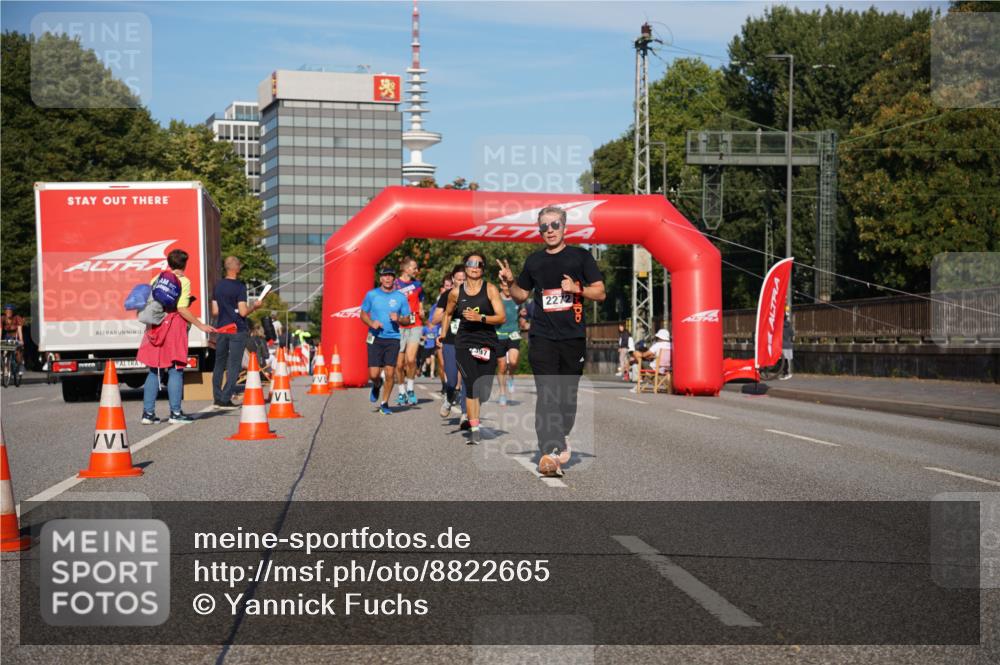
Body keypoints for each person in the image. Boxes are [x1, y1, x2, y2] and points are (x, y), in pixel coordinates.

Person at [498, 205, 605, 477]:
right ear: (539, 230)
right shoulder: (534, 261)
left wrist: (577, 288)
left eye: (554, 225)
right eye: (544, 226)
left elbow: (601, 292)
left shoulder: (581, 257)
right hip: (542, 336)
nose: (549, 230)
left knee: (566, 396)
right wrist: (511, 282)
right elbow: (521, 295)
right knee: (547, 394)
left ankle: (561, 434)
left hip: (573, 337)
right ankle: (550, 450)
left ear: (564, 227)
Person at [136, 249, 215, 424]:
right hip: (174, 327)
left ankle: (148, 414)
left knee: (154, 370)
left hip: (155, 326)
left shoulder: (156, 279)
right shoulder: (183, 281)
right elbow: (181, 308)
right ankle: (175, 413)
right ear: (185, 264)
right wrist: (200, 325)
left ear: (169, 262)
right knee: (176, 369)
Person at [439, 252, 505, 445]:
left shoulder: (490, 289)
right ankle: (474, 429)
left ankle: (473, 415)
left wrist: (481, 318)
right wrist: (443, 334)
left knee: (482, 391)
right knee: (471, 385)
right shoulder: (456, 293)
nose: (474, 267)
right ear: (465, 267)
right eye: (470, 263)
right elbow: (448, 313)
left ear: (483, 268)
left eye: (479, 264)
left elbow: (501, 317)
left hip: (487, 343)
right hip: (464, 343)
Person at [211, 256, 263, 409]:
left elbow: (215, 311)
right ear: (236, 268)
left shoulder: (218, 286)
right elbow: (242, 312)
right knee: (234, 365)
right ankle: (225, 399)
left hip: (221, 328)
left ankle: (217, 397)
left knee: (219, 364)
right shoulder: (240, 287)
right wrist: (254, 306)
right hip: (237, 329)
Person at [360, 266, 412, 415]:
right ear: (380, 278)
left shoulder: (400, 297)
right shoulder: (372, 295)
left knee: (390, 373)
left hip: (393, 339)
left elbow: (408, 320)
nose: (388, 278)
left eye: (390, 276)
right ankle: (377, 384)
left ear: (394, 279)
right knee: (374, 374)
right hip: (374, 337)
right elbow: (362, 314)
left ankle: (384, 403)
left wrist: (399, 319)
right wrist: (371, 323)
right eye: (385, 276)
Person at [432, 265, 467, 425]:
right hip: (450, 341)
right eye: (458, 279)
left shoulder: (475, 294)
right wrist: (449, 310)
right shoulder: (446, 295)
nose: (461, 282)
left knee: (468, 378)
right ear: (453, 279)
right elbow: (434, 319)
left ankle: (466, 414)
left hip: (469, 341)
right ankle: (450, 397)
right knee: (452, 381)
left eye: (464, 279)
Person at [393, 257, 424, 406]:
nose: (416, 270)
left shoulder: (417, 284)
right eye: (413, 267)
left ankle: (410, 389)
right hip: (398, 326)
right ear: (405, 269)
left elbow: (421, 300)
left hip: (415, 324)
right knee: (399, 365)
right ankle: (401, 392)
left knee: (410, 360)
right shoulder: (394, 284)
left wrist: (422, 309)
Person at [495, 280, 522, 405]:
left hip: (513, 334)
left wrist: (523, 318)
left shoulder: (516, 298)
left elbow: (522, 313)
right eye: (504, 286)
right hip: (499, 335)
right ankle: (502, 393)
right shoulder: (495, 298)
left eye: (508, 286)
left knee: (513, 361)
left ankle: (511, 376)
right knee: (501, 366)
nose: (507, 289)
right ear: (501, 286)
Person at [2, 304, 25, 376]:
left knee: (17, 351)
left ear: (12, 312)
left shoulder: (17, 318)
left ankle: (20, 365)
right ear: (5, 312)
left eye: (10, 311)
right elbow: (0, 330)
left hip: (16, 336)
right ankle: (5, 368)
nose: (8, 312)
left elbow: (19, 330)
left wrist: (21, 340)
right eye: (7, 311)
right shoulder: (2, 318)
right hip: (7, 337)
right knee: (4, 352)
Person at [779, 307, 794, 380]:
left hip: (782, 345)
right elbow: (792, 337)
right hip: (788, 345)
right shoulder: (790, 327)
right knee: (786, 360)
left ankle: (785, 374)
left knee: (782, 360)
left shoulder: (780, 326)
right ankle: (787, 373)